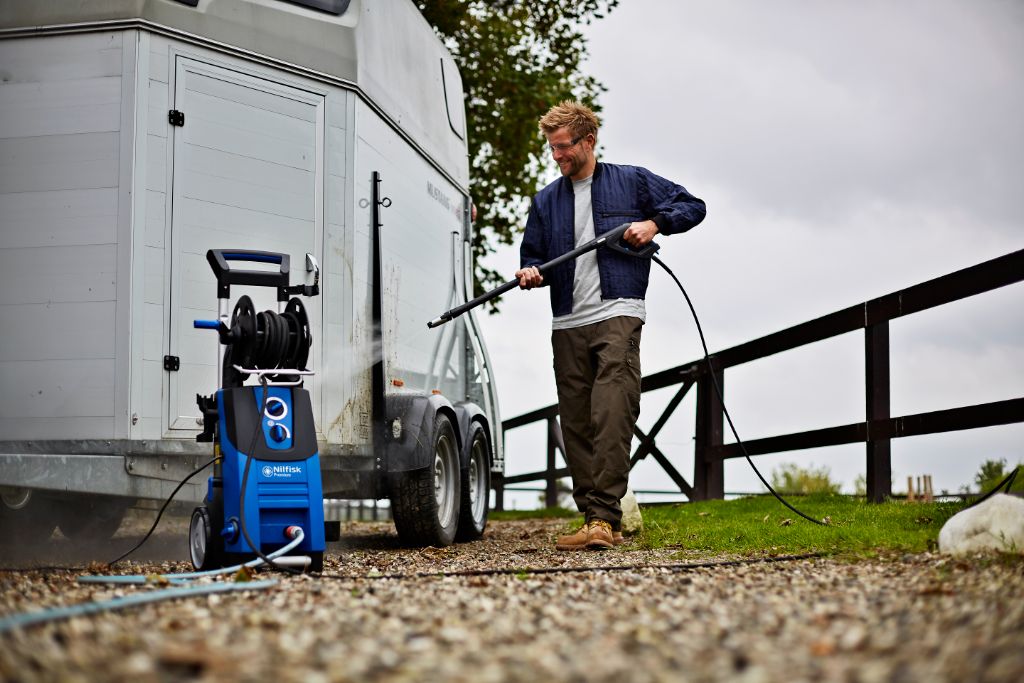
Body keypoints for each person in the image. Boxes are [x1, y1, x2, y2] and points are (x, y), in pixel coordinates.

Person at [516, 100, 706, 550]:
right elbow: (533, 255)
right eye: (552, 148)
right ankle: (596, 519)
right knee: (576, 422)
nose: (557, 156)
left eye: (564, 146)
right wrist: (530, 272)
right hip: (567, 321)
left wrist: (654, 223)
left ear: (588, 141)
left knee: (612, 410)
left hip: (618, 310)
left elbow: (692, 206)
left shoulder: (631, 180)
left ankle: (603, 516)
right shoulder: (545, 201)